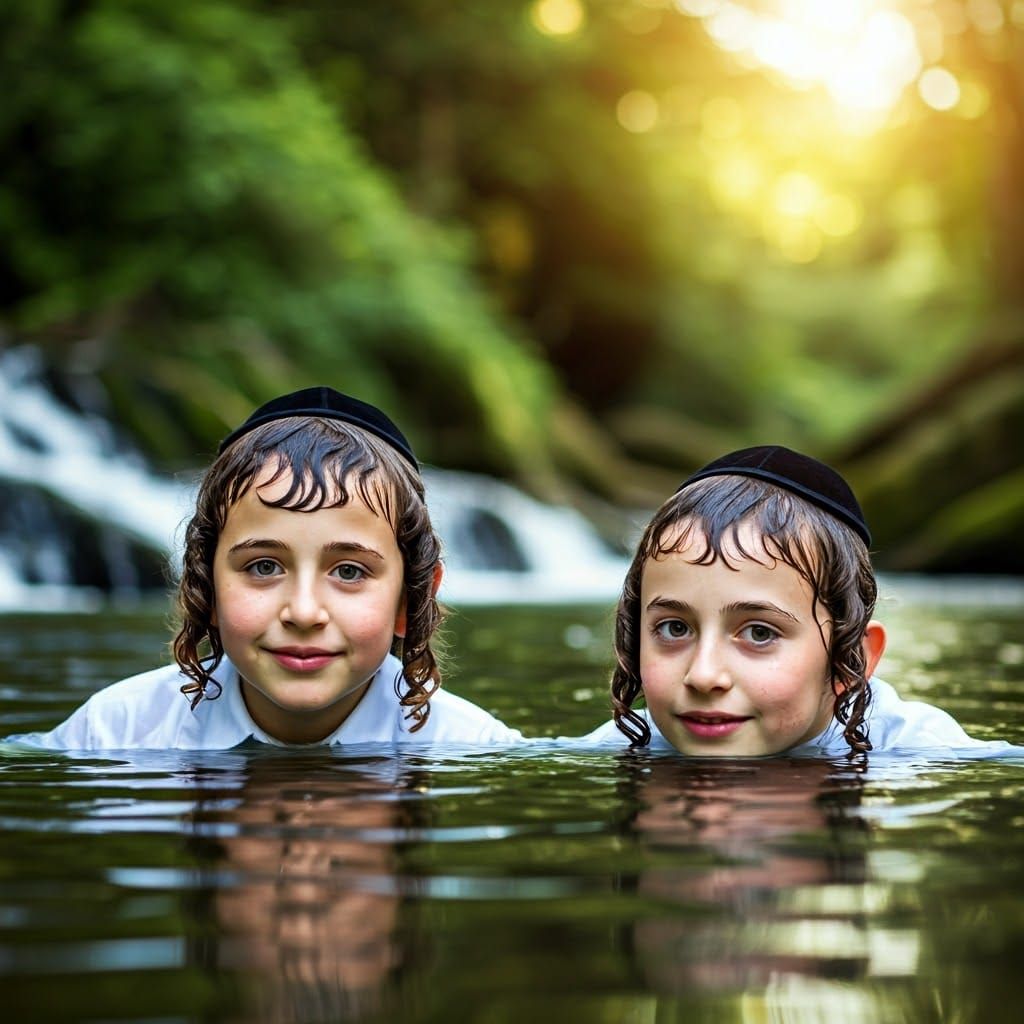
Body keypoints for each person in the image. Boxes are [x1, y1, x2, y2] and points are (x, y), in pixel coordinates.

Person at [7, 387, 522, 749]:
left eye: (348, 572)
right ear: (206, 587)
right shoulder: (113, 733)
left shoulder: (468, 745)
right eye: (263, 566)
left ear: (411, 600)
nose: (304, 612)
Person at [580, 445, 1017, 757]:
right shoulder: (631, 741)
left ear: (853, 659)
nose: (704, 675)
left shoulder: (921, 752)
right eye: (674, 628)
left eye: (759, 633)